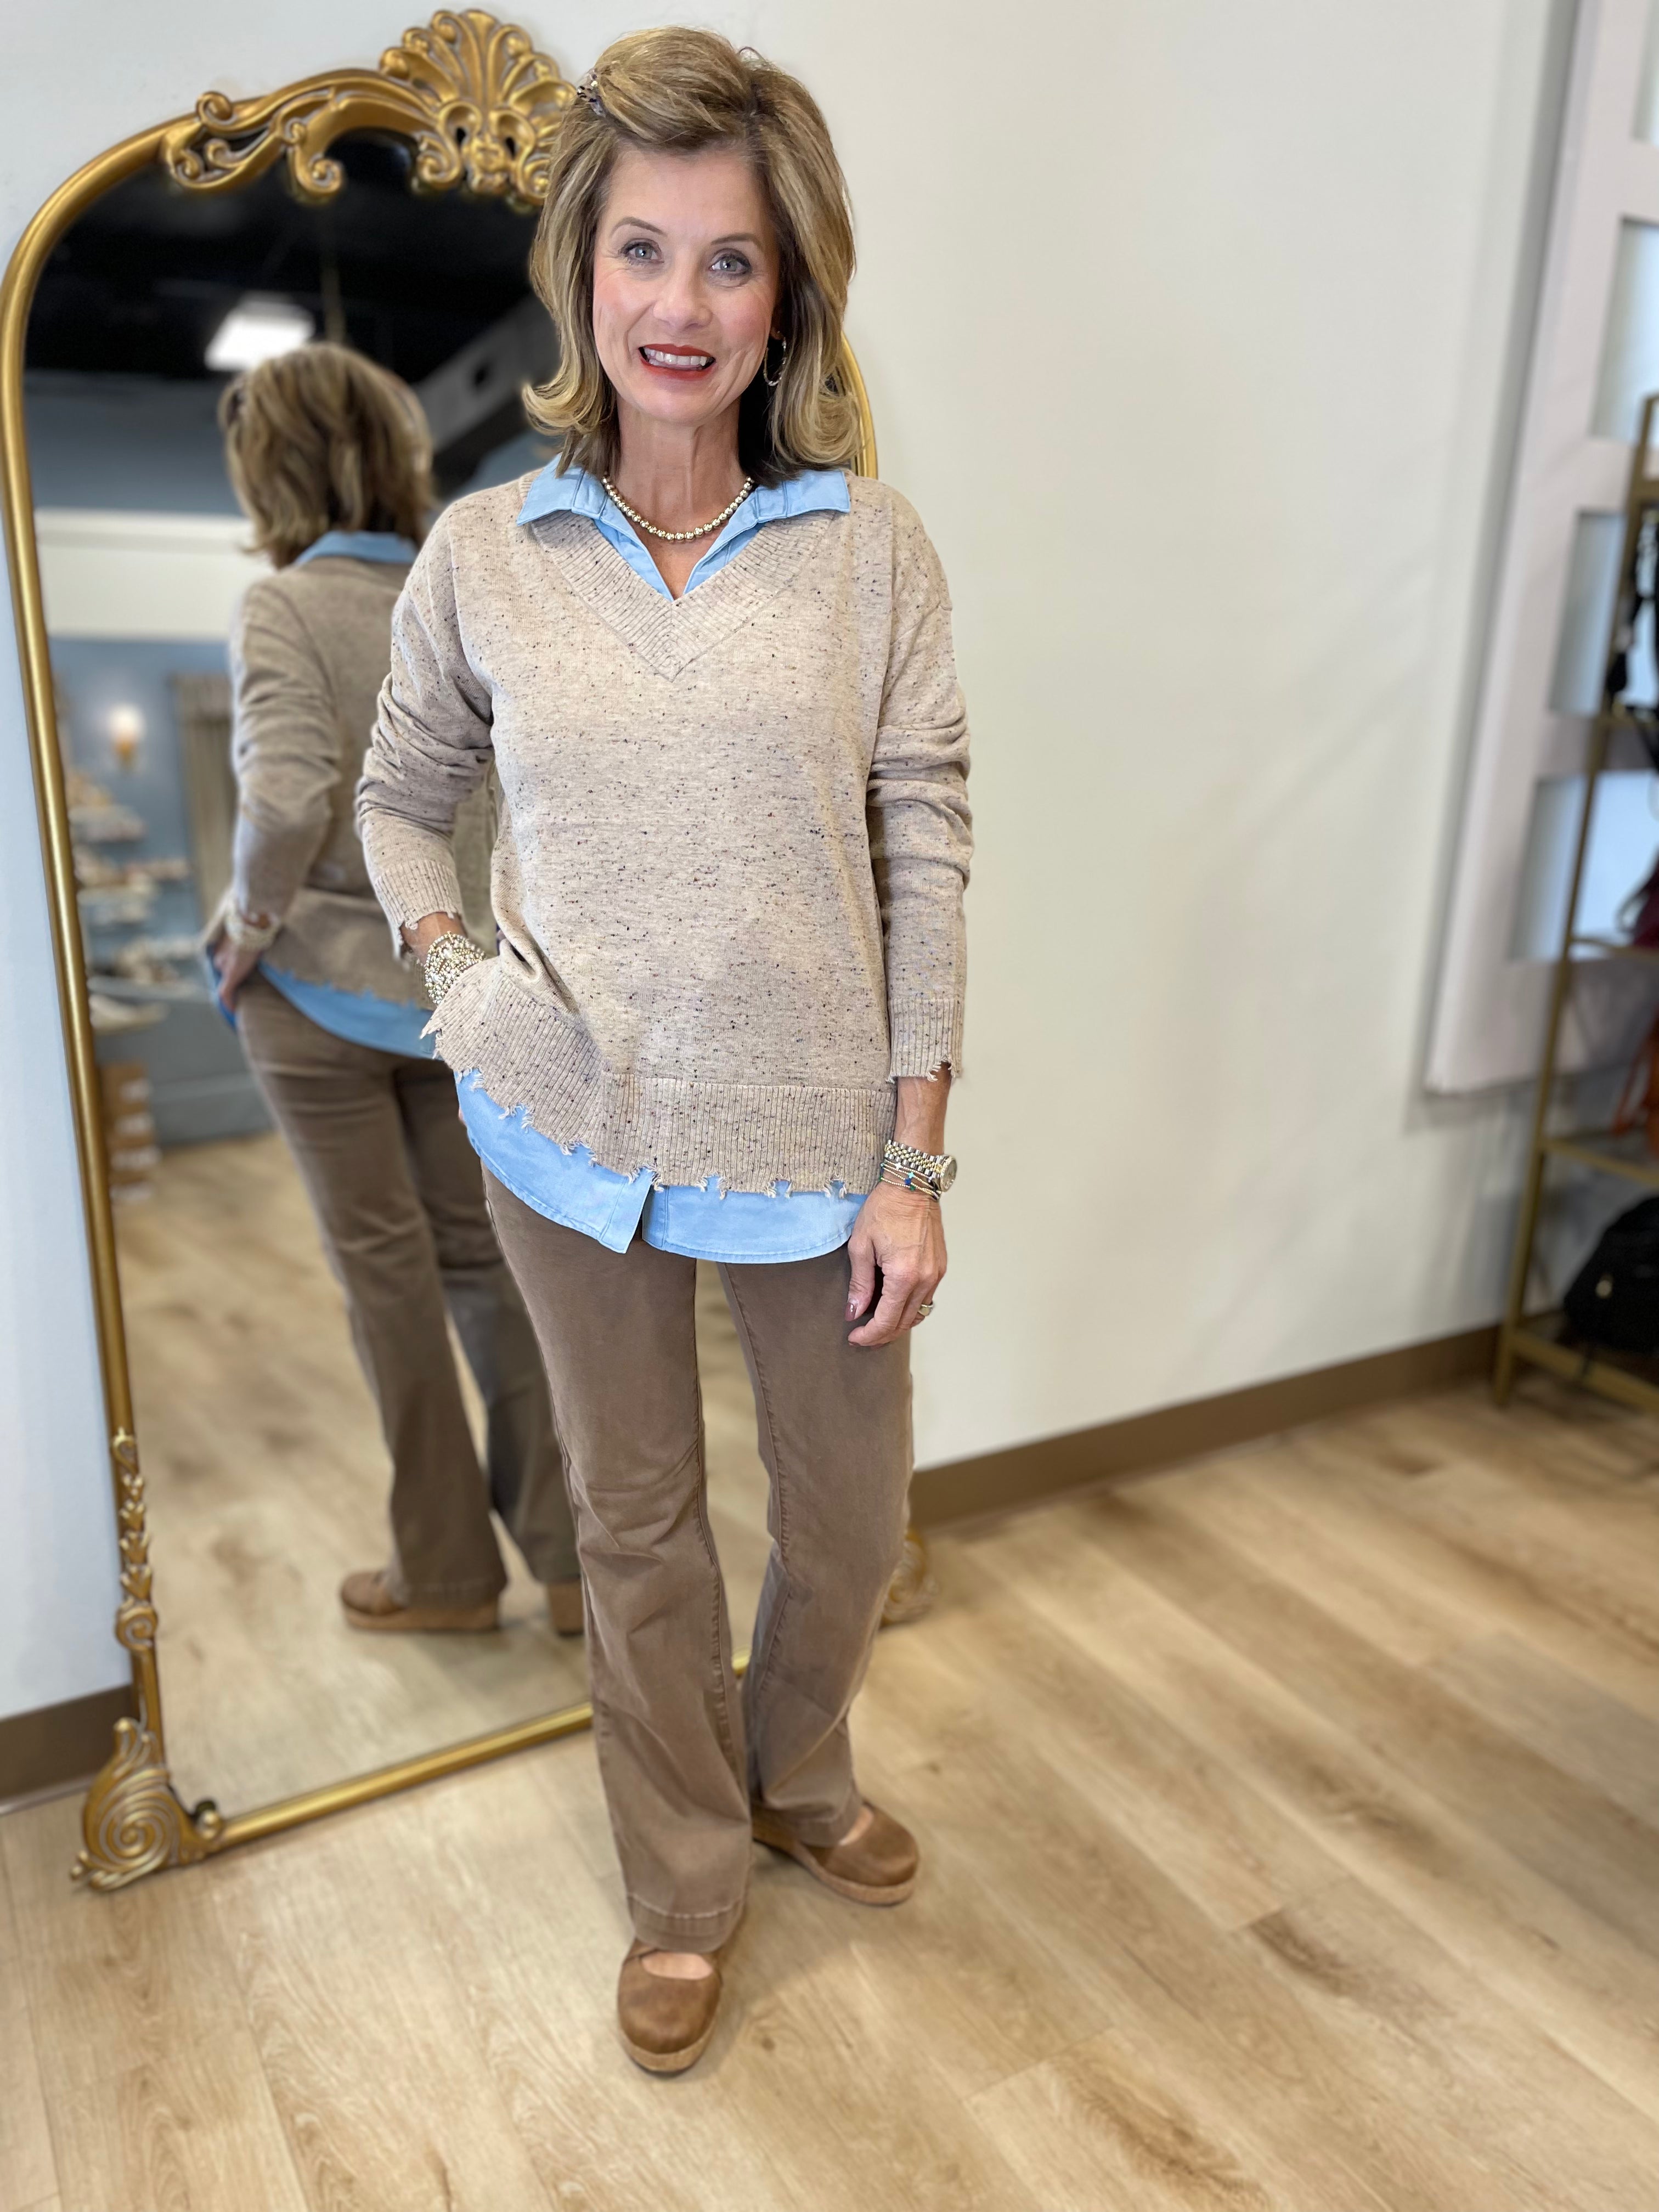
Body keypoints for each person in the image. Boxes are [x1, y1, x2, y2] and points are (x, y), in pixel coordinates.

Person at [359, 26, 969, 2073]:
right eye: (643, 249)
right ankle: (688, 1881)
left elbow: (926, 848)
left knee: (852, 1522)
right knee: (637, 1530)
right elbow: (396, 796)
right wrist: (461, 976)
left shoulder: (870, 552)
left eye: (729, 259)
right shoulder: (483, 554)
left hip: (816, 1135)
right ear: (582, 273)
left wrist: (915, 1155)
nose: (680, 304)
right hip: (569, 1123)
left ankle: (794, 1768)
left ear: (785, 293)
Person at [207, 343, 583, 1639]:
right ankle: (573, 1568)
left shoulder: (282, 608)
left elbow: (286, 798)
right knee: (490, 1269)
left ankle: (447, 1577)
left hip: (313, 987)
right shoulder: (461, 585)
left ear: (270, 472)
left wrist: (247, 927)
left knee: (387, 1279)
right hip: (448, 983)